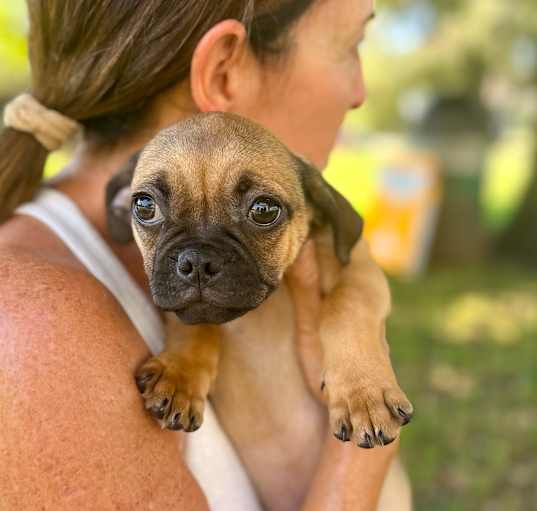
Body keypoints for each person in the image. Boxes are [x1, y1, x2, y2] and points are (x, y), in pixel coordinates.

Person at [0, 1, 412, 509]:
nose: (360, 93)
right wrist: (364, 456)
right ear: (222, 71)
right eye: (352, 47)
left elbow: (360, 281)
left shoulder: (307, 230)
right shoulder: (28, 334)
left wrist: (358, 350)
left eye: (260, 210)